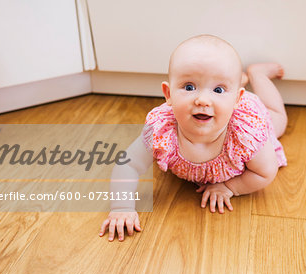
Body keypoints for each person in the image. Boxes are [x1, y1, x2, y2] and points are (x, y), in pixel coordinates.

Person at [99, 34, 288, 241]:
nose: (203, 100)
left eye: (217, 89)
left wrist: (230, 187)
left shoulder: (246, 133)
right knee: (218, 81)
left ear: (237, 99)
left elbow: (265, 172)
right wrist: (121, 206)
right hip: (226, 101)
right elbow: (128, 165)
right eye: (189, 87)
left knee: (278, 119)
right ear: (168, 94)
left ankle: (257, 75)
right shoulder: (162, 129)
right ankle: (232, 82)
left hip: (247, 113)